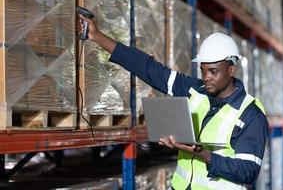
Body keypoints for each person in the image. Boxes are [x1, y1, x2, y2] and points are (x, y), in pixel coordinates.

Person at [78, 14, 269, 190]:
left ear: (231, 69)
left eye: (214, 71)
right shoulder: (195, 90)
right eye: (203, 71)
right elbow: (148, 69)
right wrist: (96, 36)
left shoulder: (250, 113)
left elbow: (248, 171)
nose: (206, 77)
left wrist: (202, 153)